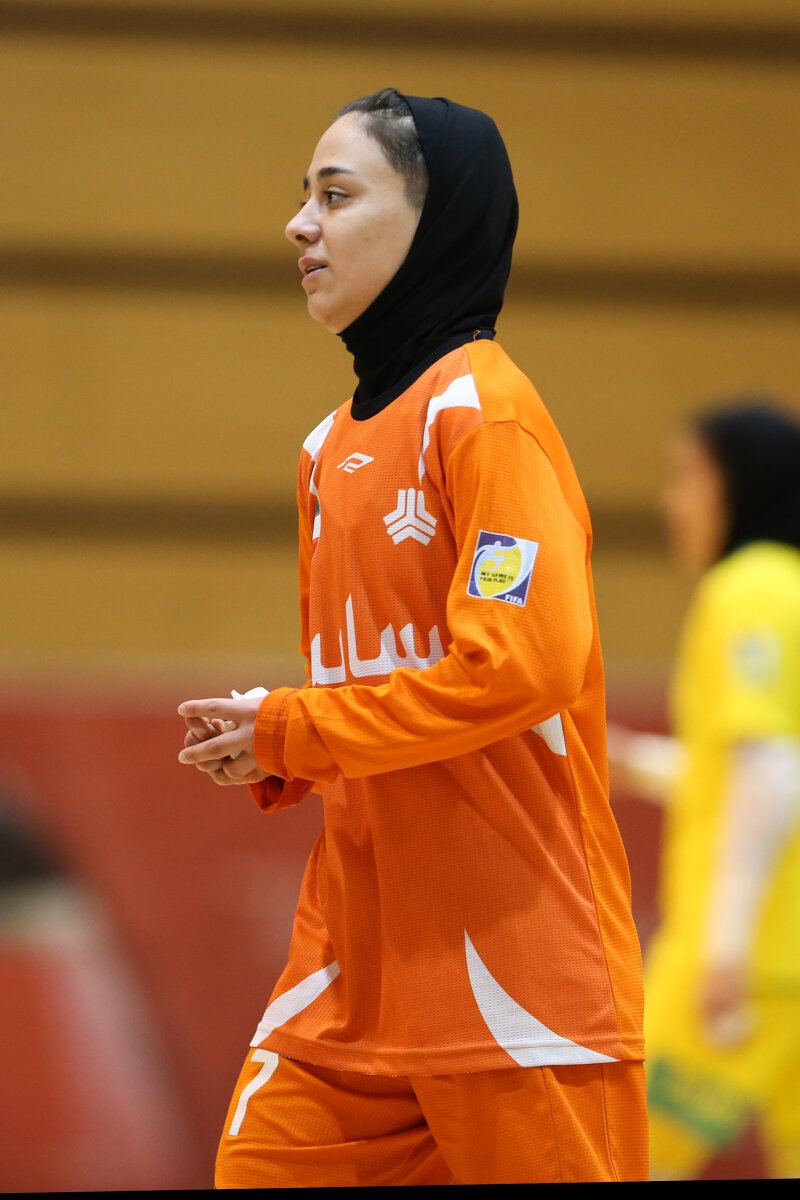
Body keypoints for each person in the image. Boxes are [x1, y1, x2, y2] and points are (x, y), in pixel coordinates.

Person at [177, 88, 648, 1187]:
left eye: (336, 196)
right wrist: (277, 741)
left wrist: (296, 729)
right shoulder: (322, 450)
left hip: (516, 978)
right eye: (303, 197)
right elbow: (373, 689)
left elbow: (516, 668)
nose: (299, 225)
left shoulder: (485, 413)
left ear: (433, 221)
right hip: (352, 972)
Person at [608, 399, 800, 1180]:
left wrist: (724, 949)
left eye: (688, 478)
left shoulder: (746, 591)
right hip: (782, 959)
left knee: (619, 1156)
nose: (671, 502)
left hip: (751, 961)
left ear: (739, 485)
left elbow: (772, 772)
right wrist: (631, 760)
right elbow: (746, 774)